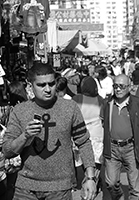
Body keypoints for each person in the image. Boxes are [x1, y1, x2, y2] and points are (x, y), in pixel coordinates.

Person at [2, 62, 97, 200]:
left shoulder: (70, 108)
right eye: (41, 85)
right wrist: (25, 136)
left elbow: (83, 142)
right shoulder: (20, 111)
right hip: (25, 188)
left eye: (51, 84)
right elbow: (7, 150)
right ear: (30, 85)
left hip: (59, 188)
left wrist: (90, 177)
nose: (47, 89)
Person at [101, 74, 139, 200]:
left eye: (121, 86)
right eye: (115, 86)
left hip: (131, 148)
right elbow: (103, 123)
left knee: (135, 187)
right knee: (110, 182)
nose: (118, 89)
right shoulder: (107, 103)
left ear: (129, 87)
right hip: (112, 147)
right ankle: (119, 195)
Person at [72, 76, 105, 195]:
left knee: (84, 160)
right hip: (97, 134)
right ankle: (95, 181)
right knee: (96, 161)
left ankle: (89, 180)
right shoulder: (101, 100)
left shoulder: (76, 99)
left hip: (81, 134)